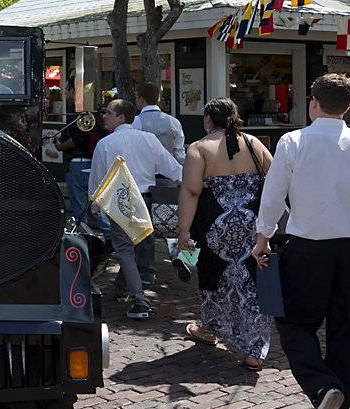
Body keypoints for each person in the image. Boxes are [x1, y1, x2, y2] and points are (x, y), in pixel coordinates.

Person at [252, 73, 350, 409]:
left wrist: (263, 237)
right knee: (348, 332)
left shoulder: (293, 141)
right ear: (348, 106)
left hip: (308, 248)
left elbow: (274, 194)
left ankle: (324, 388)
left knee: (294, 323)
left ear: (313, 102)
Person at [177, 98, 273, 371]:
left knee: (211, 277)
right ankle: (254, 350)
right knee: (254, 282)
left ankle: (210, 330)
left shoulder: (199, 148)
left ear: (208, 119)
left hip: (213, 229)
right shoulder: (255, 144)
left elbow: (191, 191)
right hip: (253, 227)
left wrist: (184, 230)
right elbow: (276, 181)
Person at [88, 99, 182, 319]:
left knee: (124, 251)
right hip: (145, 200)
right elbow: (172, 168)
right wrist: (191, 184)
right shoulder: (149, 140)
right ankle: (123, 291)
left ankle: (139, 300)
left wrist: (94, 204)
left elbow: (97, 178)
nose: (105, 116)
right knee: (133, 249)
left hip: (119, 201)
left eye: (109, 113)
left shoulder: (105, 143)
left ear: (121, 117)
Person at [133, 82, 186, 283]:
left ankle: (147, 273)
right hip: (168, 180)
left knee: (146, 229)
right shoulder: (173, 122)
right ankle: (177, 256)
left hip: (145, 181)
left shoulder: (137, 122)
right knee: (170, 224)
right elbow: (180, 155)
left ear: (140, 98)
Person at [54, 110, 112, 243]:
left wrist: (60, 146)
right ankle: (109, 236)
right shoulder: (97, 119)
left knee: (79, 210)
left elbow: (76, 140)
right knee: (94, 207)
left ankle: (81, 241)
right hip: (95, 165)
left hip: (78, 166)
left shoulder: (79, 118)